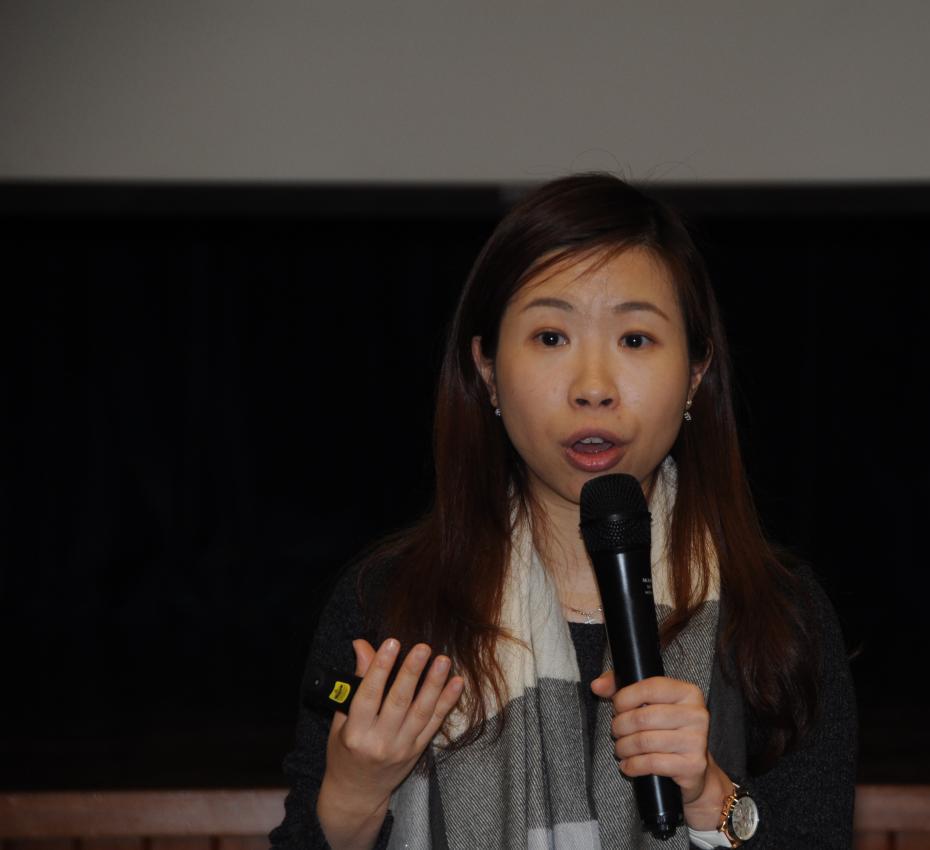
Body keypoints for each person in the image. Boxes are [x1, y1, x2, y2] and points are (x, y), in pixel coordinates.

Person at [270, 174, 856, 849]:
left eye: (635, 340)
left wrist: (711, 798)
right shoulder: (390, 605)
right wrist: (353, 796)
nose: (593, 388)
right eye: (551, 337)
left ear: (696, 373)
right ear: (487, 370)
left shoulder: (777, 617)